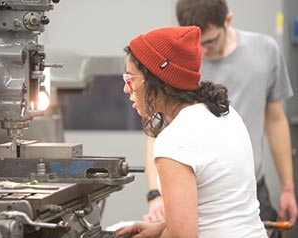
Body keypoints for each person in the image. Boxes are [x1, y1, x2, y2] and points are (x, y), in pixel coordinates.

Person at [144, 0, 298, 233]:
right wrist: (155, 193)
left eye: (210, 41)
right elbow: (158, 131)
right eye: (197, 42)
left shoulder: (265, 51)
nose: (203, 51)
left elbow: (275, 120)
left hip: (251, 189)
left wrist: (288, 187)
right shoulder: (177, 65)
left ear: (228, 20)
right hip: (193, 192)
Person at [115, 26, 267, 238]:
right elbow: (214, 204)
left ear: (157, 81)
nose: (126, 89)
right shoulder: (225, 113)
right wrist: (160, 227)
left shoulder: (175, 140)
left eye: (130, 79)